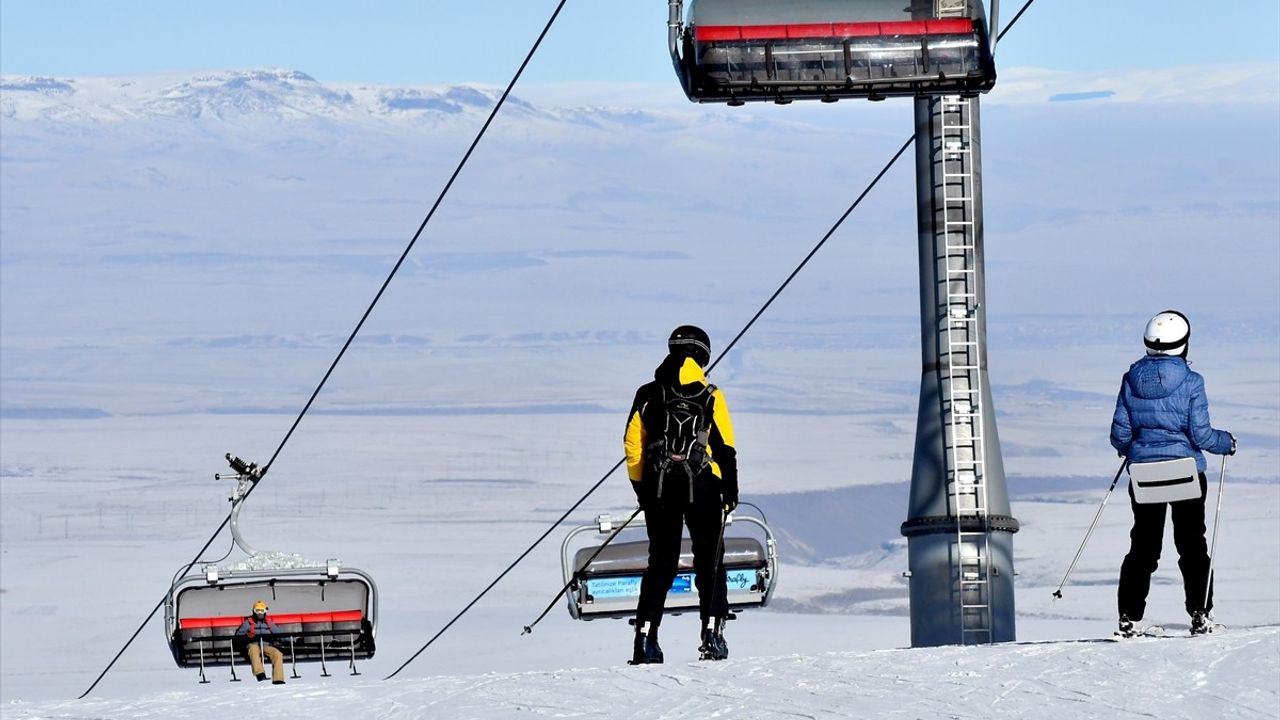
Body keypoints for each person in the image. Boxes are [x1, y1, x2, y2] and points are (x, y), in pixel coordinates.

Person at [1110, 310, 1235, 637]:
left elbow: (1119, 435)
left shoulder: (1130, 380)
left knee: (1143, 548)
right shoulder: (1193, 382)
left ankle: (1129, 620)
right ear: (1184, 344)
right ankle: (1200, 616)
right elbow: (1203, 435)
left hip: (1144, 475)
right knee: (1192, 546)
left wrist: (1134, 450)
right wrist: (1227, 443)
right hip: (1186, 475)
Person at [624, 325, 739, 663]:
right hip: (705, 487)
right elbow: (726, 447)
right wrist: (729, 491)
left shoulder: (647, 393)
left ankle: (645, 638)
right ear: (702, 355)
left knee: (661, 563)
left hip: (660, 488)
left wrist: (642, 488)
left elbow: (632, 445)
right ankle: (712, 634)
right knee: (710, 561)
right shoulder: (711, 394)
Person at [236, 600, 286, 684]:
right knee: (253, 649)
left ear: (265, 611)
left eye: (262, 611)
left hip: (266, 645)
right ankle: (259, 673)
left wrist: (292, 640)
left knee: (277, 654)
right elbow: (238, 635)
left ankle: (278, 678)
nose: (259, 613)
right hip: (253, 644)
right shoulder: (248, 623)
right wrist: (246, 637)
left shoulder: (269, 624)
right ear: (254, 611)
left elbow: (279, 634)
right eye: (257, 611)